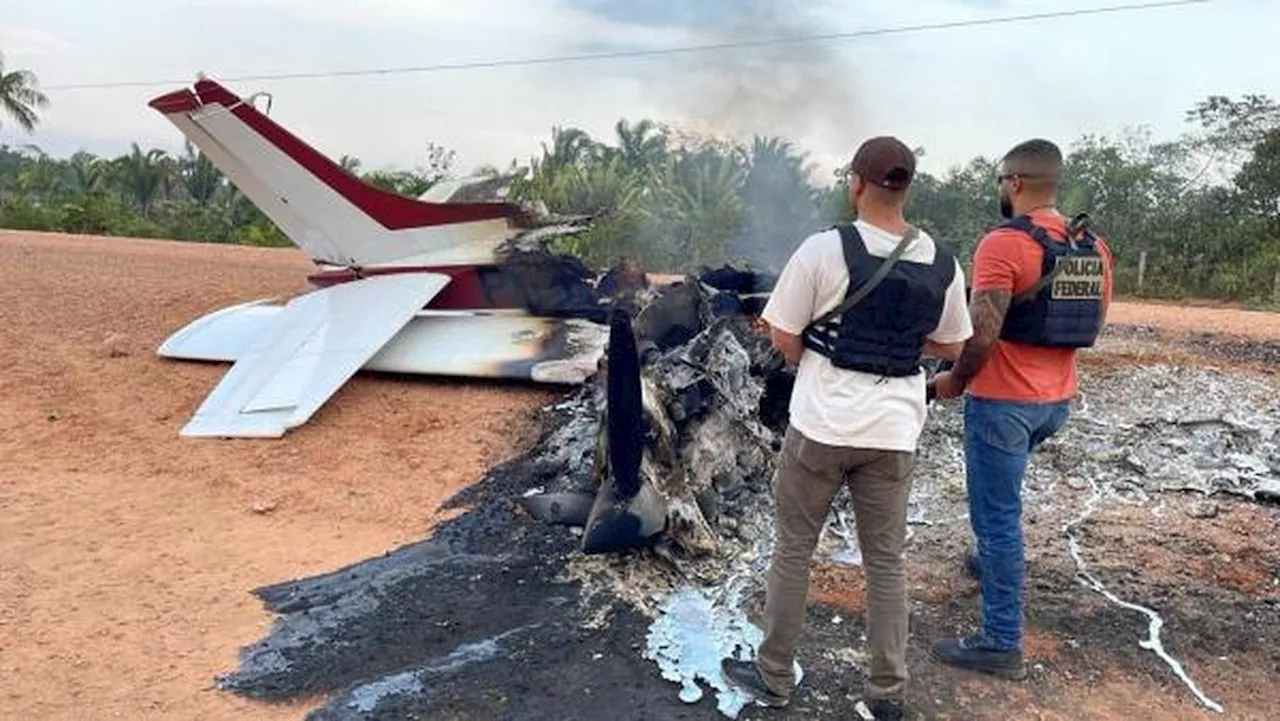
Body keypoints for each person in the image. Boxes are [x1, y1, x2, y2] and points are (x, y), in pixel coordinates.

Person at [720, 136, 972, 720]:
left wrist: (811, 349)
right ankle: (887, 693)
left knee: (794, 549)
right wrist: (906, 343)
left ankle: (775, 674)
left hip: (821, 426)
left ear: (855, 183)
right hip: (893, 433)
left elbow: (783, 337)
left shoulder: (823, 249)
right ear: (906, 186)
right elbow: (953, 344)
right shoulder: (942, 261)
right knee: (886, 561)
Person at [928, 138, 1114, 679]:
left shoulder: (1002, 244)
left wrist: (956, 379)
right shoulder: (1093, 246)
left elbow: (982, 333)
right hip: (1055, 402)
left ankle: (1000, 641)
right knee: (1002, 509)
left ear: (1012, 183)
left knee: (998, 519)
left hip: (1003, 404)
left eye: (999, 183)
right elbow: (1093, 320)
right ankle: (989, 565)